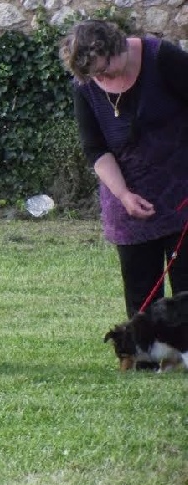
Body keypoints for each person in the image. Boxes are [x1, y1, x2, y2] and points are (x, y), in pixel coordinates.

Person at [59, 20, 188, 318]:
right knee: (141, 296)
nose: (100, 78)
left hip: (181, 188)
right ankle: (146, 359)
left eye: (103, 70)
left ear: (115, 48)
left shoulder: (162, 58)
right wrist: (124, 195)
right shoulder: (86, 85)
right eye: (93, 75)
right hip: (128, 197)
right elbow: (95, 149)